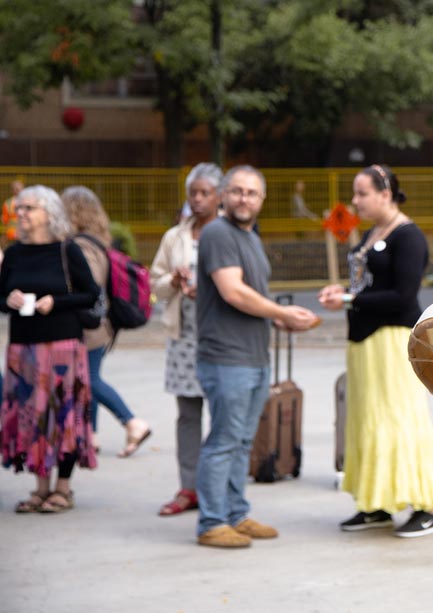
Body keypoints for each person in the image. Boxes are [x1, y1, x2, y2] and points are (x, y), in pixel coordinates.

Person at [318, 164, 433, 538]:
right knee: (366, 421)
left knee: (400, 418)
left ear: (385, 193)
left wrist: (348, 298)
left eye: (362, 193)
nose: (355, 201)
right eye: (355, 193)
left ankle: (426, 506)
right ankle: (375, 502)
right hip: (363, 341)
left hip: (392, 341)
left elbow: (402, 296)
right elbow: (365, 286)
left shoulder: (408, 236)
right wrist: (343, 295)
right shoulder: (371, 233)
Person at [195, 165, 319, 548]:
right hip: (226, 357)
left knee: (244, 441)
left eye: (251, 193)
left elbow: (251, 298)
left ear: (262, 200)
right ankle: (211, 522)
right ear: (223, 195)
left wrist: (279, 322)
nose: (243, 198)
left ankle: (236, 514)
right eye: (236, 191)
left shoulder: (249, 236)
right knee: (224, 440)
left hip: (252, 356)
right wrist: (281, 313)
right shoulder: (218, 232)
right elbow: (232, 292)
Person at [0, 185, 101, 513]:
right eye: (21, 208)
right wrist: (10, 299)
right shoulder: (13, 254)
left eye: (29, 208)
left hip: (62, 346)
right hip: (23, 348)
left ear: (49, 213)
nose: (22, 214)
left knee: (63, 416)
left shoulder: (66, 250)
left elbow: (91, 293)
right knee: (31, 418)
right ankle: (40, 486)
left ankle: (63, 487)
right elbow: (0, 300)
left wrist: (54, 302)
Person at [150, 163, 222, 516]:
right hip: (184, 338)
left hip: (222, 338)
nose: (197, 199)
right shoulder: (174, 237)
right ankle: (188, 488)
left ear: (219, 196)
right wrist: (175, 283)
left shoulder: (230, 233)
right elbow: (155, 283)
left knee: (224, 415)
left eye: (205, 192)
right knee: (188, 416)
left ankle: (217, 488)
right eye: (193, 192)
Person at [62, 186, 152, 459]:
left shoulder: (81, 245)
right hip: (100, 324)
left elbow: (90, 287)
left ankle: (132, 422)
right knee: (92, 377)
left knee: (89, 379)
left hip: (91, 326)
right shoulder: (98, 240)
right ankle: (92, 435)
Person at [2, 179, 23, 245]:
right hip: (22, 234)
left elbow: (5, 220)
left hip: (12, 234)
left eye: (17, 188)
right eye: (16, 188)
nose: (17, 190)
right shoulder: (30, 201)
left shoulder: (7, 203)